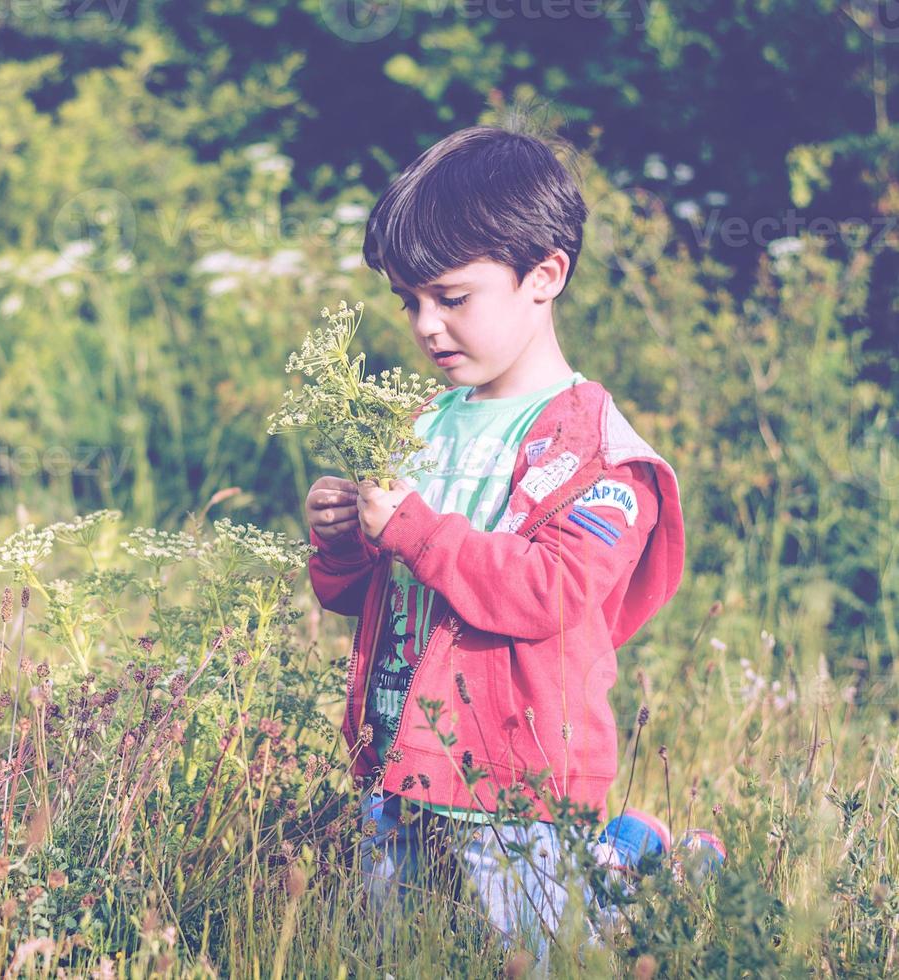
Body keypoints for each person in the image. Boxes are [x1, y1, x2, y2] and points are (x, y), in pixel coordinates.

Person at [304, 125, 720, 963]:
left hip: (516, 763)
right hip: (397, 744)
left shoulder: (594, 448)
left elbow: (552, 593)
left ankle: (638, 865)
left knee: (547, 948)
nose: (426, 325)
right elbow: (360, 595)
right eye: (408, 302)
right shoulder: (419, 422)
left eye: (452, 298)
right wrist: (342, 542)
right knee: (396, 949)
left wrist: (415, 529)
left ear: (545, 277)